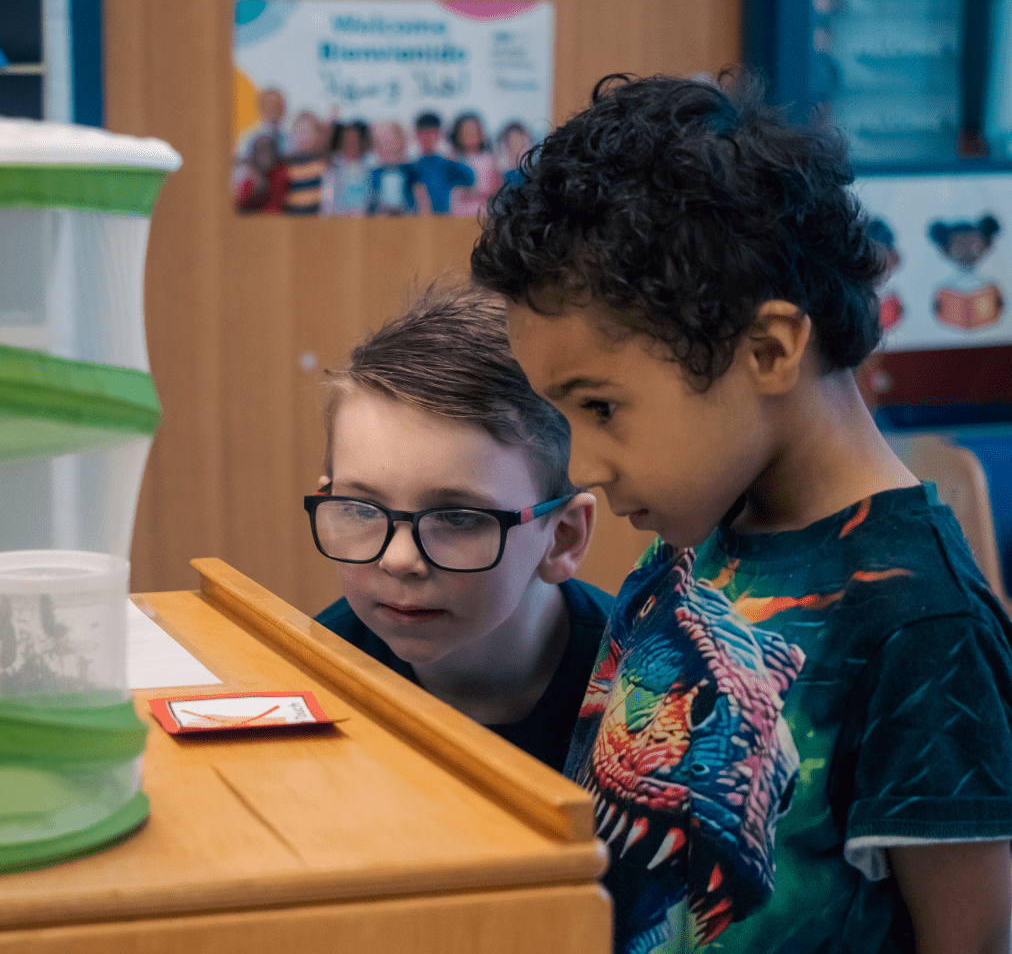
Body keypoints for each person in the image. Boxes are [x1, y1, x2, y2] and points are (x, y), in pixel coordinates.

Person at [470, 70, 1012, 954]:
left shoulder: (928, 627)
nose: (583, 465)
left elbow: (975, 943)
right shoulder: (706, 525)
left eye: (600, 408)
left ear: (767, 349)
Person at [305, 282, 614, 772]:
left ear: (564, 536)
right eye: (362, 509)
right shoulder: (314, 679)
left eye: (457, 517)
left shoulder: (649, 696)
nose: (399, 560)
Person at [410, 111, 474, 215]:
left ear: (440, 134)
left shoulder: (447, 164)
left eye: (432, 133)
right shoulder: (411, 166)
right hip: (418, 221)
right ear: (416, 135)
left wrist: (452, 151)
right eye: (423, 133)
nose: (427, 137)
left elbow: (470, 179)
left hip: (444, 220)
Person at [448, 111, 500, 217]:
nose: (469, 135)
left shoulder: (489, 159)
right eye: (465, 132)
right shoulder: (452, 159)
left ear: (481, 134)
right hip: (458, 215)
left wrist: (474, 194)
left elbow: (496, 188)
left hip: (483, 214)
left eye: (473, 131)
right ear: (458, 135)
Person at [321, 120, 372, 217]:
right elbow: (326, 200)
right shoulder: (332, 167)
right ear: (341, 143)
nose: (351, 143)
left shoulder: (370, 166)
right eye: (347, 140)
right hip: (338, 220)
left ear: (361, 142)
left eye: (354, 140)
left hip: (365, 221)